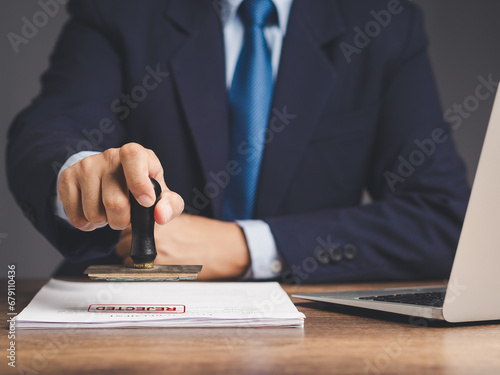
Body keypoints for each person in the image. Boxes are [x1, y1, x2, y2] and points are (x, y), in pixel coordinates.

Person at [6, 0, 470, 283]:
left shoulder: (384, 23)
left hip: (315, 330)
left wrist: (244, 246)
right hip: (130, 322)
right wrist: (81, 169)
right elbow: (49, 127)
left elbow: (442, 217)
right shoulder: (121, 9)